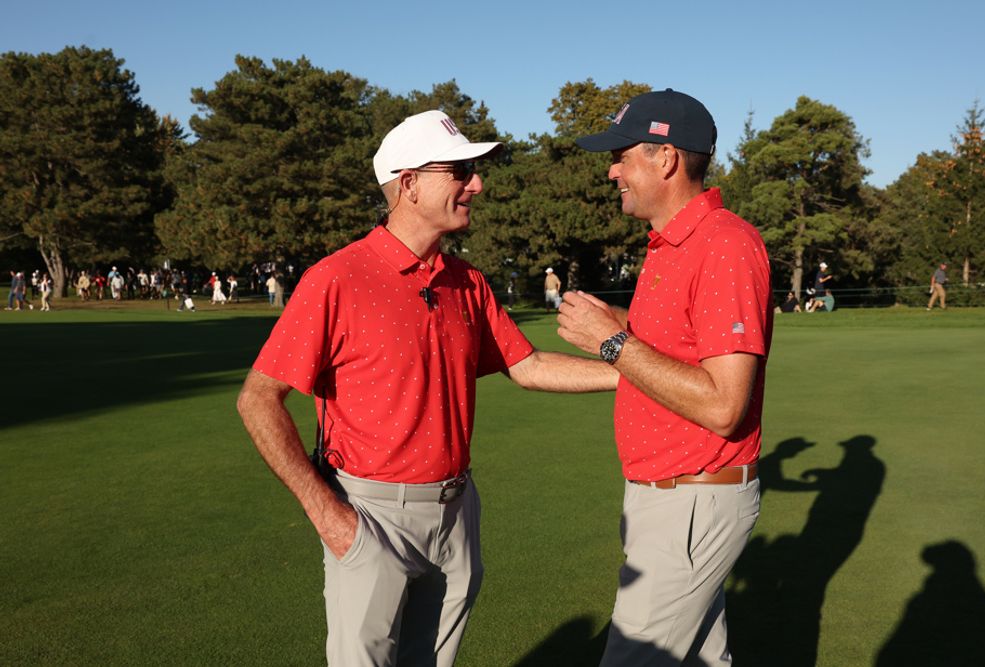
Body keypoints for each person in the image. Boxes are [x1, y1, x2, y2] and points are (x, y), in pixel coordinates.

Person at [237, 109, 618, 666]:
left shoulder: (467, 282)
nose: (477, 184)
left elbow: (528, 365)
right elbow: (257, 397)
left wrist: (633, 374)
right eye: (460, 171)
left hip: (456, 512)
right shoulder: (336, 278)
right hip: (368, 516)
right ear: (409, 183)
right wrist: (329, 516)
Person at [559, 88, 773, 665]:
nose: (612, 171)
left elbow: (724, 405)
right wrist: (616, 326)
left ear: (666, 159)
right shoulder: (673, 242)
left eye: (623, 155)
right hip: (670, 496)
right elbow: (679, 343)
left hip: (691, 499)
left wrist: (610, 341)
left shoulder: (724, 244)